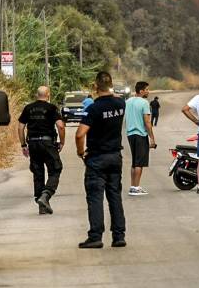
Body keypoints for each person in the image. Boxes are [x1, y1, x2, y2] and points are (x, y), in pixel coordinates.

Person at [75, 72, 127, 249]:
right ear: (111, 85)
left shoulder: (93, 108)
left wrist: (81, 152)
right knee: (115, 195)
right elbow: (116, 98)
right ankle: (119, 236)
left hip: (97, 157)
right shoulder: (121, 104)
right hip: (115, 156)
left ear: (95, 87)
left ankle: (96, 236)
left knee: (95, 197)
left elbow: (80, 133)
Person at [18, 86, 66, 214]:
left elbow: (20, 127)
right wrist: (62, 142)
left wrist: (23, 145)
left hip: (33, 143)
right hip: (47, 143)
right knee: (55, 169)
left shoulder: (28, 108)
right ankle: (46, 195)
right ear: (48, 95)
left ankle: (42, 205)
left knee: (38, 172)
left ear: (36, 94)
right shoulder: (51, 108)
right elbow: (60, 126)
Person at [125, 81, 157, 196]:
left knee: (134, 162)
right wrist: (152, 138)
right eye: (147, 89)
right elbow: (147, 122)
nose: (148, 91)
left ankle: (133, 186)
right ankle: (136, 187)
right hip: (140, 134)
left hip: (130, 134)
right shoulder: (144, 102)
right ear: (141, 91)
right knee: (139, 162)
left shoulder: (128, 102)